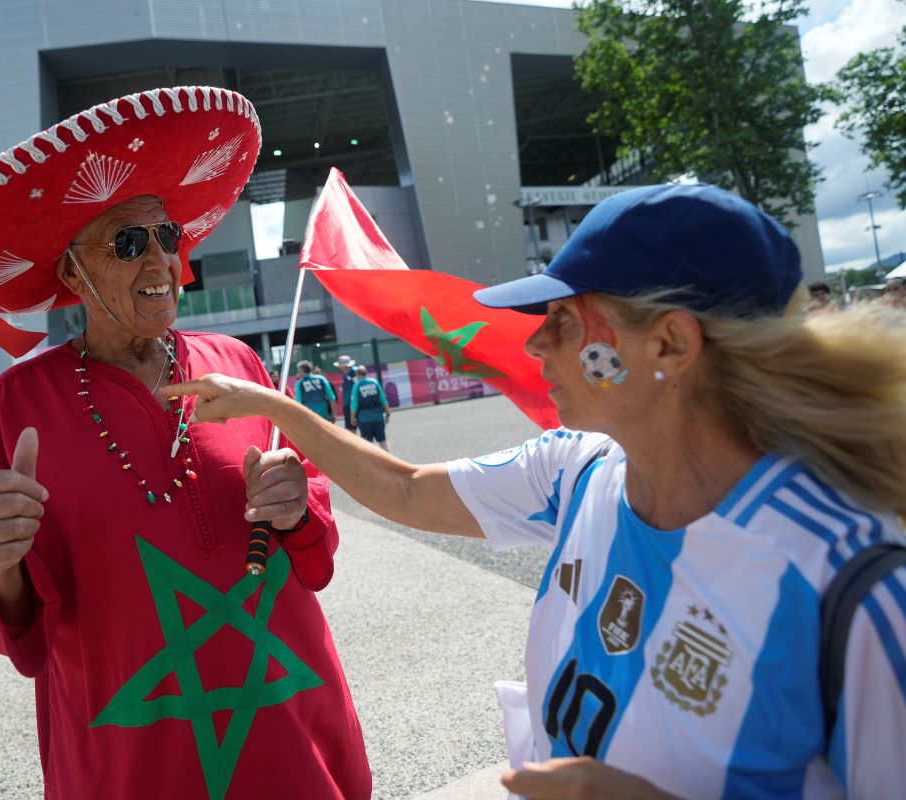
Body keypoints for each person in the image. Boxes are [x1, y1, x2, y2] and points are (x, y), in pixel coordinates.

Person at [167, 184, 906, 798]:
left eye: (561, 319)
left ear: (671, 346)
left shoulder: (854, 582)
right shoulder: (579, 470)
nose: (533, 344)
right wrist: (276, 409)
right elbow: (409, 492)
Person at [0, 87, 369, 799]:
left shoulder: (239, 362)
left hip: (292, 728)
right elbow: (6, 616)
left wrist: (295, 507)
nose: (162, 260)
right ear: (72, 274)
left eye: (168, 237)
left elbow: (314, 546)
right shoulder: (20, 402)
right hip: (128, 763)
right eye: (129, 242)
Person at [349, 365, 390, 451]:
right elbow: (383, 399)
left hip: (364, 419)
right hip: (378, 417)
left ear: (357, 374)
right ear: (366, 373)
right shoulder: (374, 382)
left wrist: (352, 416)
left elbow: (354, 403)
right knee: (383, 442)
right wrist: (388, 412)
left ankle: (372, 464)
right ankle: (391, 461)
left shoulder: (357, 385)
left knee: (368, 444)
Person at [334, 354, 359, 433]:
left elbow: (359, 386)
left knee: (360, 429)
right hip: (348, 405)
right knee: (351, 430)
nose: (339, 368)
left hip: (354, 404)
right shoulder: (346, 374)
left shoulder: (355, 372)